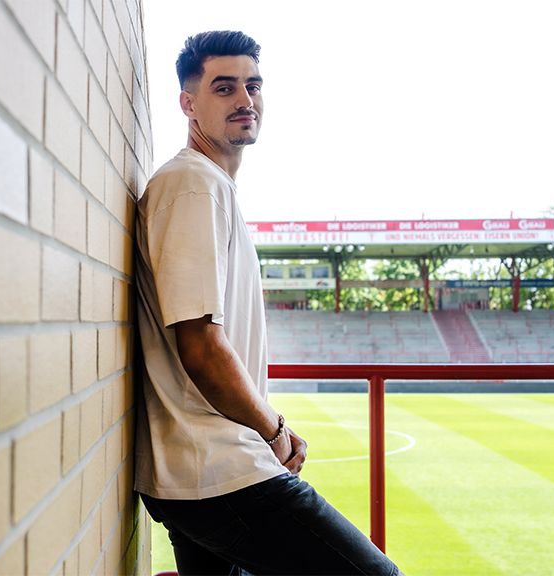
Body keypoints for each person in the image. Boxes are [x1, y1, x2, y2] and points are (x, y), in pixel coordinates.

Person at [133, 30, 401, 575]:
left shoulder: (211, 188)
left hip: (200, 471)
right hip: (218, 470)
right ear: (188, 103)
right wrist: (274, 431)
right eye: (224, 88)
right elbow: (201, 346)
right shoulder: (192, 185)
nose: (245, 100)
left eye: (253, 86)